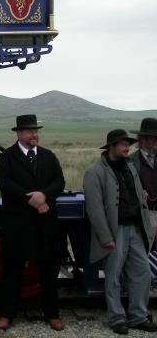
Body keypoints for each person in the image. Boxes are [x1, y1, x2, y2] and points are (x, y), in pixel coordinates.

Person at [0, 115, 65, 332]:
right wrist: (32, 200)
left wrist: (44, 195)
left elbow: (59, 182)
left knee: (48, 270)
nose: (34, 134)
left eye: (36, 131)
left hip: (45, 223)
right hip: (18, 224)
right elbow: (5, 184)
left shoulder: (48, 156)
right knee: (12, 270)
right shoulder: (7, 157)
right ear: (19, 134)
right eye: (30, 131)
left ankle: (52, 314)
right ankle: (6, 315)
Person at [83, 129, 157, 335]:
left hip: (135, 228)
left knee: (142, 273)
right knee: (113, 276)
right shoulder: (94, 172)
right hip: (115, 232)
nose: (128, 148)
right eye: (123, 144)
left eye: (129, 145)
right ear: (112, 147)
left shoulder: (131, 168)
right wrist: (106, 237)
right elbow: (95, 209)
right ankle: (117, 319)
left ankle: (138, 317)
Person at [130, 118, 157, 246]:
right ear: (143, 138)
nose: (156, 141)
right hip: (143, 216)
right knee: (145, 253)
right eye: (153, 137)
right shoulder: (130, 162)